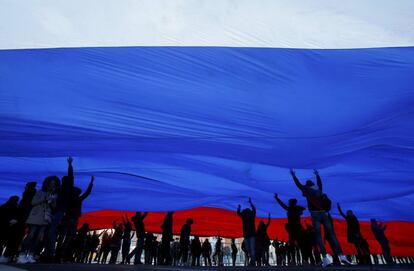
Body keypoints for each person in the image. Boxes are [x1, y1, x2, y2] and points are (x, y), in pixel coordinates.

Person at [290, 169, 351, 267]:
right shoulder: (318, 189)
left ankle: (325, 258)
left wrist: (293, 176)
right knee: (332, 234)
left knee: (318, 235)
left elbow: (298, 185)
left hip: (315, 215)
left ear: (306, 185)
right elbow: (319, 182)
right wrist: (317, 175)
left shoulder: (306, 190)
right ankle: (341, 255)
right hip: (323, 213)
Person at [17, 176, 60, 264]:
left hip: (45, 218)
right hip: (36, 215)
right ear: (47, 183)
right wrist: (44, 199)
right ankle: (21, 255)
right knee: (31, 235)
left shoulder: (54, 194)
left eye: (54, 184)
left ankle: (30, 255)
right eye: (51, 183)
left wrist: (53, 200)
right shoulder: (40, 192)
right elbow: (33, 202)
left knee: (38, 238)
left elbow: (54, 207)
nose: (52, 185)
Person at [44, 157, 74, 261]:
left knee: (51, 231)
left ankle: (50, 253)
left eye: (63, 180)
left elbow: (71, 177)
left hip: (60, 212)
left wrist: (70, 165)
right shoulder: (58, 189)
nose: (62, 181)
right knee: (48, 232)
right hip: (53, 211)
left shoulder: (68, 188)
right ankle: (48, 252)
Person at [59, 175, 94, 262]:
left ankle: (59, 253)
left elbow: (86, 193)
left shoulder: (70, 198)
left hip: (67, 218)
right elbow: (87, 193)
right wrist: (91, 183)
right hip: (73, 219)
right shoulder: (78, 199)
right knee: (68, 237)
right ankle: (62, 254)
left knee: (62, 237)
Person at [3, 182, 37, 262]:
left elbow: (23, 210)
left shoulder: (26, 198)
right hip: (23, 222)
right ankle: (12, 255)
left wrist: (17, 219)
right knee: (17, 239)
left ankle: (9, 255)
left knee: (15, 239)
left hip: (20, 222)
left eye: (26, 187)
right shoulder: (28, 198)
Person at [274, 193, 305, 265]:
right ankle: (304, 260)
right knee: (300, 244)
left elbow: (282, 205)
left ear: (291, 203)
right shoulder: (297, 208)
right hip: (297, 228)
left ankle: (294, 260)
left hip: (292, 229)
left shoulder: (290, 209)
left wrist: (277, 198)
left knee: (292, 245)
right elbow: (303, 210)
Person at [237, 197, 256, 266]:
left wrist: (251, 203)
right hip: (247, 235)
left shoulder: (251, 216)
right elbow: (239, 213)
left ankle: (253, 261)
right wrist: (239, 208)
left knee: (251, 248)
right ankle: (252, 260)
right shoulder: (245, 217)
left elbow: (253, 210)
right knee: (248, 248)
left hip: (251, 235)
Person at [0, 196, 19, 263]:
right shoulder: (16, 208)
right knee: (7, 243)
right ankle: (5, 256)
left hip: (3, 227)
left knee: (1, 242)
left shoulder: (3, 206)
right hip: (10, 228)